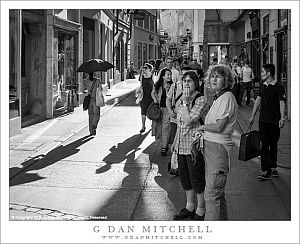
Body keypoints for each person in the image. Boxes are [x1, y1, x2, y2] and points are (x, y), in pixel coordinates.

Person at [197, 64, 237, 220]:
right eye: (212, 76)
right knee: (217, 195)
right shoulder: (220, 97)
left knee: (212, 195)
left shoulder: (226, 98)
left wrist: (202, 126)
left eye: (218, 76)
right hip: (213, 148)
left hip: (218, 149)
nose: (214, 79)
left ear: (226, 80)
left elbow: (219, 126)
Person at [172, 71, 207, 221]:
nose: (186, 83)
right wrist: (174, 142)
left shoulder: (201, 99)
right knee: (185, 179)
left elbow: (190, 120)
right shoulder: (181, 98)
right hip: (181, 145)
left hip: (193, 147)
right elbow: (179, 123)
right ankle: (189, 207)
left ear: (196, 83)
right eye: (184, 81)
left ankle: (200, 210)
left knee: (196, 179)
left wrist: (186, 103)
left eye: (190, 81)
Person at [249, 64, 287, 180]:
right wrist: (252, 115)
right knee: (264, 145)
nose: (261, 74)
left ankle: (273, 166)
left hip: (274, 121)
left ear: (269, 73)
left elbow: (281, 102)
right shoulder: (263, 86)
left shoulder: (279, 87)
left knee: (273, 145)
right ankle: (266, 169)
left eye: (263, 72)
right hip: (263, 121)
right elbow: (258, 100)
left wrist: (282, 118)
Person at [166, 66, 193, 175]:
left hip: (186, 120)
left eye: (188, 76)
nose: (185, 79)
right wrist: (169, 110)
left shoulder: (192, 89)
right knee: (174, 143)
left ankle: (182, 166)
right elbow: (168, 100)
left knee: (185, 144)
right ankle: (175, 166)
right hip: (174, 119)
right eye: (183, 75)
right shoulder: (175, 86)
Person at [151, 68, 172, 156]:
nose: (169, 76)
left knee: (165, 128)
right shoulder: (157, 85)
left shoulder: (172, 85)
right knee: (159, 128)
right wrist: (155, 99)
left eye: (170, 75)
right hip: (159, 109)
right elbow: (152, 93)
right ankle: (163, 144)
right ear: (163, 76)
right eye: (167, 75)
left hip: (168, 109)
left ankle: (164, 146)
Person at [138, 63, 154, 133]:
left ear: (150, 69)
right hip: (144, 97)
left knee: (151, 111)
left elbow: (154, 87)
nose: (144, 69)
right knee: (143, 112)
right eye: (143, 67)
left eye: (145, 68)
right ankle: (143, 126)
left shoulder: (152, 77)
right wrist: (139, 94)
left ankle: (152, 125)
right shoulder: (142, 76)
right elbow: (141, 86)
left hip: (151, 97)